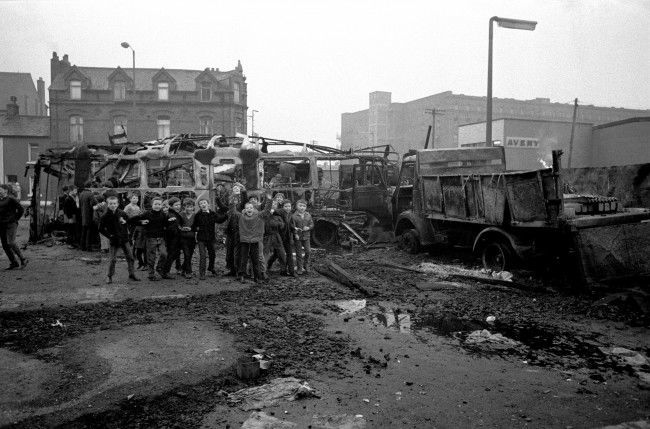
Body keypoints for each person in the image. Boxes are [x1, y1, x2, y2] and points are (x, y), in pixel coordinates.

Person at [128, 196, 171, 281]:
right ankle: (151, 274)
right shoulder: (147, 214)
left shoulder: (163, 214)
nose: (157, 206)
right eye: (155, 204)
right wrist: (141, 222)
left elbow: (166, 225)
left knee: (164, 254)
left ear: (161, 205)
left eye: (159, 204)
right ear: (152, 205)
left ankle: (159, 268)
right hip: (150, 238)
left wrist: (170, 220)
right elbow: (132, 220)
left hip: (161, 238)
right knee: (151, 257)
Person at [99, 195, 139, 284]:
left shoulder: (122, 213)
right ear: (107, 204)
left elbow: (129, 220)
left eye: (114, 203)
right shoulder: (105, 216)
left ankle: (132, 274)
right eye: (111, 204)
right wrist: (110, 236)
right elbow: (100, 229)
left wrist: (126, 222)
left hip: (124, 239)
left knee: (131, 257)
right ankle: (109, 276)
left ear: (117, 204)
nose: (113, 205)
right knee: (113, 259)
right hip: (114, 240)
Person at [238, 194, 273, 283]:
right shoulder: (241, 216)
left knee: (255, 259)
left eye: (251, 208)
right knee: (243, 259)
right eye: (247, 208)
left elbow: (267, 210)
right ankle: (242, 275)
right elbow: (232, 210)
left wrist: (269, 198)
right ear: (244, 209)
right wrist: (234, 196)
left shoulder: (259, 215)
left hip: (255, 240)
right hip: (245, 240)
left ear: (254, 209)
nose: (249, 209)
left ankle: (257, 277)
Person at [192, 198, 227, 280]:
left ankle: (211, 268)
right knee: (203, 255)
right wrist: (196, 230)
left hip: (210, 238)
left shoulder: (212, 214)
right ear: (199, 206)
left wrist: (226, 215)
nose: (203, 204)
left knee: (212, 254)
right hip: (201, 238)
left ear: (208, 204)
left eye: (204, 203)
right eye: (201, 203)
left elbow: (219, 220)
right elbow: (194, 225)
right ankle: (202, 273)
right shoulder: (198, 215)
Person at [0, 184, 27, 270]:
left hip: (11, 224)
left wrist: (15, 218)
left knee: (10, 242)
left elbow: (21, 209)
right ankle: (14, 263)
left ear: (5, 190)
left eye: (0, 189)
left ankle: (23, 259)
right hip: (2, 225)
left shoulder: (11, 199)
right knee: (5, 245)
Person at [270, 200, 296, 277]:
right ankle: (282, 270)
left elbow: (290, 224)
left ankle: (292, 272)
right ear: (282, 207)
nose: (288, 208)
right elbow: (276, 211)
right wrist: (273, 210)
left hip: (287, 237)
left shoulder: (290, 214)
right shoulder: (280, 212)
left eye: (289, 206)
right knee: (279, 255)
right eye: (286, 206)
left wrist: (294, 228)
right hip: (279, 238)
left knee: (289, 254)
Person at [263, 202, 287, 276]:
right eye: (271, 204)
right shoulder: (264, 215)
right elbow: (265, 225)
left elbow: (282, 225)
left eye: (275, 205)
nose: (273, 206)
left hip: (276, 236)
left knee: (281, 253)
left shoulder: (278, 216)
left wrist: (277, 223)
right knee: (265, 253)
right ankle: (263, 270)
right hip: (267, 237)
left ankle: (283, 270)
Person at [124, 193, 146, 269]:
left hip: (137, 224)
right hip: (131, 225)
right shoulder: (128, 206)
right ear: (130, 199)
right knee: (131, 239)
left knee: (136, 240)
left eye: (136, 198)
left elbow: (139, 215)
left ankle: (135, 255)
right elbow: (124, 214)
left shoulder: (137, 207)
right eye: (134, 198)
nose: (135, 199)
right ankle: (132, 255)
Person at [291, 199, 313, 275]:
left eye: (304, 206)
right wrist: (295, 234)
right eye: (300, 206)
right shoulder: (294, 216)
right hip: (298, 237)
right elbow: (292, 226)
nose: (302, 207)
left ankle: (306, 265)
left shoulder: (308, 215)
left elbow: (311, 224)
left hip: (306, 236)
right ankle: (299, 268)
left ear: (306, 207)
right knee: (299, 253)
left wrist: (308, 228)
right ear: (297, 206)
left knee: (308, 251)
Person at [162, 197, 183, 277]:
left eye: (179, 205)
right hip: (172, 239)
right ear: (171, 206)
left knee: (176, 254)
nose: (178, 206)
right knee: (171, 255)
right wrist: (178, 230)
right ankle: (165, 271)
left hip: (176, 238)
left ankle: (166, 269)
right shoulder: (171, 215)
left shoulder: (176, 214)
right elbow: (170, 228)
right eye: (176, 205)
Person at [178, 198, 196, 279]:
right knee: (186, 254)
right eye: (187, 207)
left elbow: (197, 226)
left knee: (190, 255)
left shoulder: (195, 215)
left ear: (193, 207)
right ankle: (188, 272)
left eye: (191, 207)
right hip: (183, 238)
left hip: (192, 238)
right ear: (184, 207)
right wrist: (181, 228)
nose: (189, 208)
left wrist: (192, 229)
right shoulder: (181, 214)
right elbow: (177, 224)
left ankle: (182, 268)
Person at [78, 183, 95, 251]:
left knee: (83, 231)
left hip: (83, 214)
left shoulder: (81, 194)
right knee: (89, 231)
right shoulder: (90, 194)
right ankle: (88, 247)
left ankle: (82, 246)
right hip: (89, 215)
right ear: (90, 186)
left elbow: (79, 205)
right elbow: (92, 204)